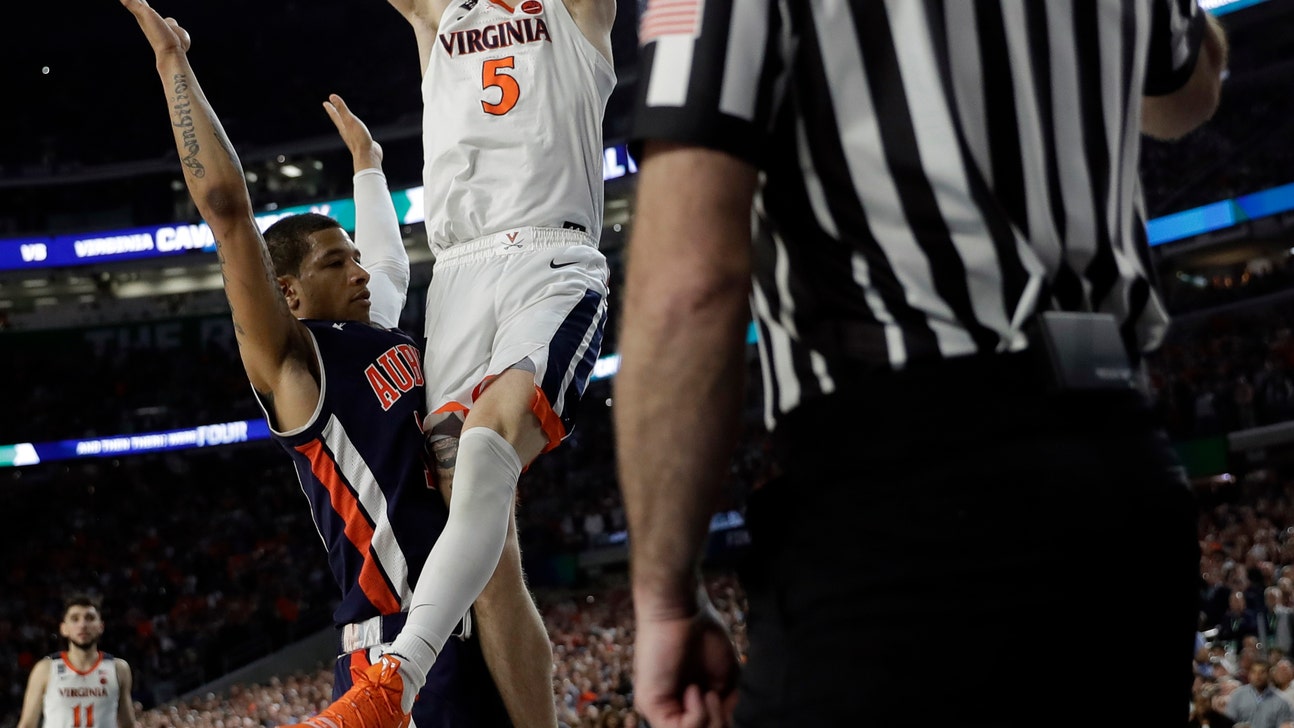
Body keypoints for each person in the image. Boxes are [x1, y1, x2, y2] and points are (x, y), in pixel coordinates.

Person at [614, 1, 1228, 726]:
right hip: (1124, 472)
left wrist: (664, 598)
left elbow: (690, 285)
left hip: (905, 500)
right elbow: (1192, 86)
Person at [117, 1, 514, 725]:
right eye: (337, 263)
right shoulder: (298, 363)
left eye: (355, 257)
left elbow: (388, 260)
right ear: (290, 292)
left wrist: (368, 169)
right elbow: (229, 210)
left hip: (466, 633)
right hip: (392, 648)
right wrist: (175, 65)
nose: (360, 271)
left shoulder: (385, 335)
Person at [294, 0, 617, 725]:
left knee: (484, 448)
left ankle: (396, 676)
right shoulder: (439, 15)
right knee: (481, 535)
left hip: (549, 256)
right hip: (458, 277)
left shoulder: (572, 13)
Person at [17, 594, 137, 728]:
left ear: (101, 626)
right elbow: (27, 725)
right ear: (64, 628)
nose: (83, 625)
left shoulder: (118, 668)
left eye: (90, 618)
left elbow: (128, 724)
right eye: (75, 619)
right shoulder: (45, 669)